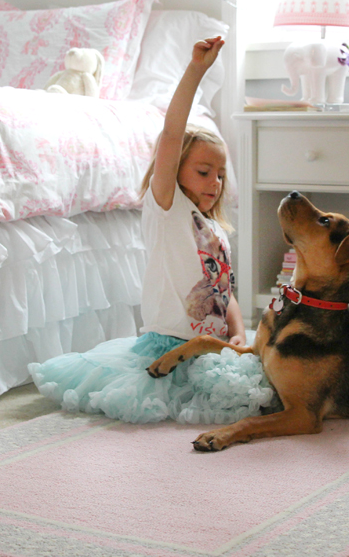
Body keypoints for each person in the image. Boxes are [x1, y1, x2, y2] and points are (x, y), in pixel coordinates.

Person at [27, 37, 278, 424]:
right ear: (175, 172)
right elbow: (173, 135)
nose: (214, 182)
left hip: (213, 347)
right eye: (203, 172)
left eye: (221, 174)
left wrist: (236, 330)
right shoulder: (169, 209)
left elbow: (222, 289)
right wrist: (197, 70)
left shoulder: (214, 228)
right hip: (170, 348)